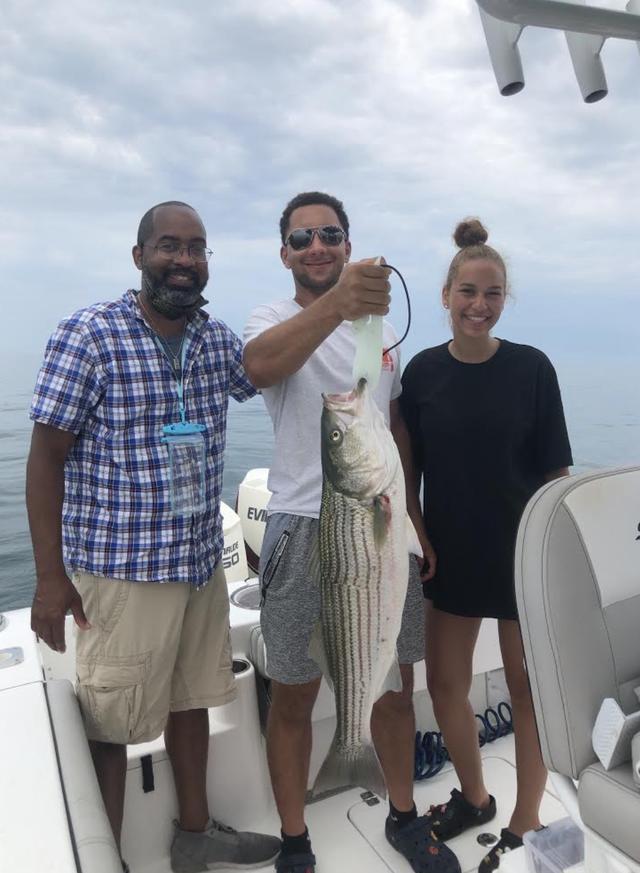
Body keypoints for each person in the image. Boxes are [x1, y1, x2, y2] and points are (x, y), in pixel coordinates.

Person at [27, 201, 281, 873]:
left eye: (197, 248)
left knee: (193, 699)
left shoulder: (213, 337)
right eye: (170, 246)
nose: (185, 260)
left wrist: (349, 325)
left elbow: (264, 371)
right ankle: (105, 858)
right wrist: (50, 578)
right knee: (111, 728)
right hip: (121, 573)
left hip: (198, 566)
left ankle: (194, 835)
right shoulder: (90, 334)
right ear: (138, 255)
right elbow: (45, 455)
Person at [243, 192, 459, 873]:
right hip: (303, 529)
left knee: (394, 684)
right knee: (295, 692)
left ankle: (402, 812)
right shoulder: (275, 317)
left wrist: (415, 526)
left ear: (346, 240)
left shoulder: (375, 327)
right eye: (302, 238)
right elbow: (258, 368)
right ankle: (296, 836)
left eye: (330, 234)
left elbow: (386, 426)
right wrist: (335, 303)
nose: (317, 246)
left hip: (382, 523)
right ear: (286, 254)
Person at [400, 218, 573, 872]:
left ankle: (529, 819)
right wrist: (415, 528)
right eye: (467, 290)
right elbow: (405, 472)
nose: (478, 303)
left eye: (492, 292)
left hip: (523, 554)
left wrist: (556, 559)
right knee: (445, 685)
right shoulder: (419, 374)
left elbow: (557, 476)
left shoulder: (532, 368)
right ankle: (476, 795)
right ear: (445, 293)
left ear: (506, 299)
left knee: (527, 691)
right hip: (449, 552)